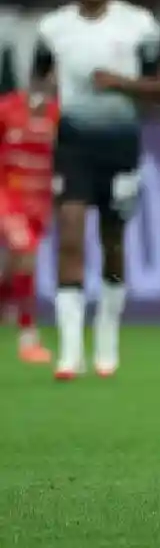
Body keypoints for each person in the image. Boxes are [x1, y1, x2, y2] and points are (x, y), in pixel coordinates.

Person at [30, 0, 160, 380]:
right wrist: (39, 101)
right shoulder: (53, 28)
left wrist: (122, 84)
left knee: (112, 240)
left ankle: (107, 332)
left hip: (120, 144)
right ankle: (71, 351)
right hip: (73, 143)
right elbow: (38, 79)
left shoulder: (139, 25)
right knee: (70, 231)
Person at [0, 84, 59, 364]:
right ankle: (28, 337)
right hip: (7, 195)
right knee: (25, 255)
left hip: (39, 200)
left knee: (15, 267)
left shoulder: (57, 115)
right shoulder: (7, 109)